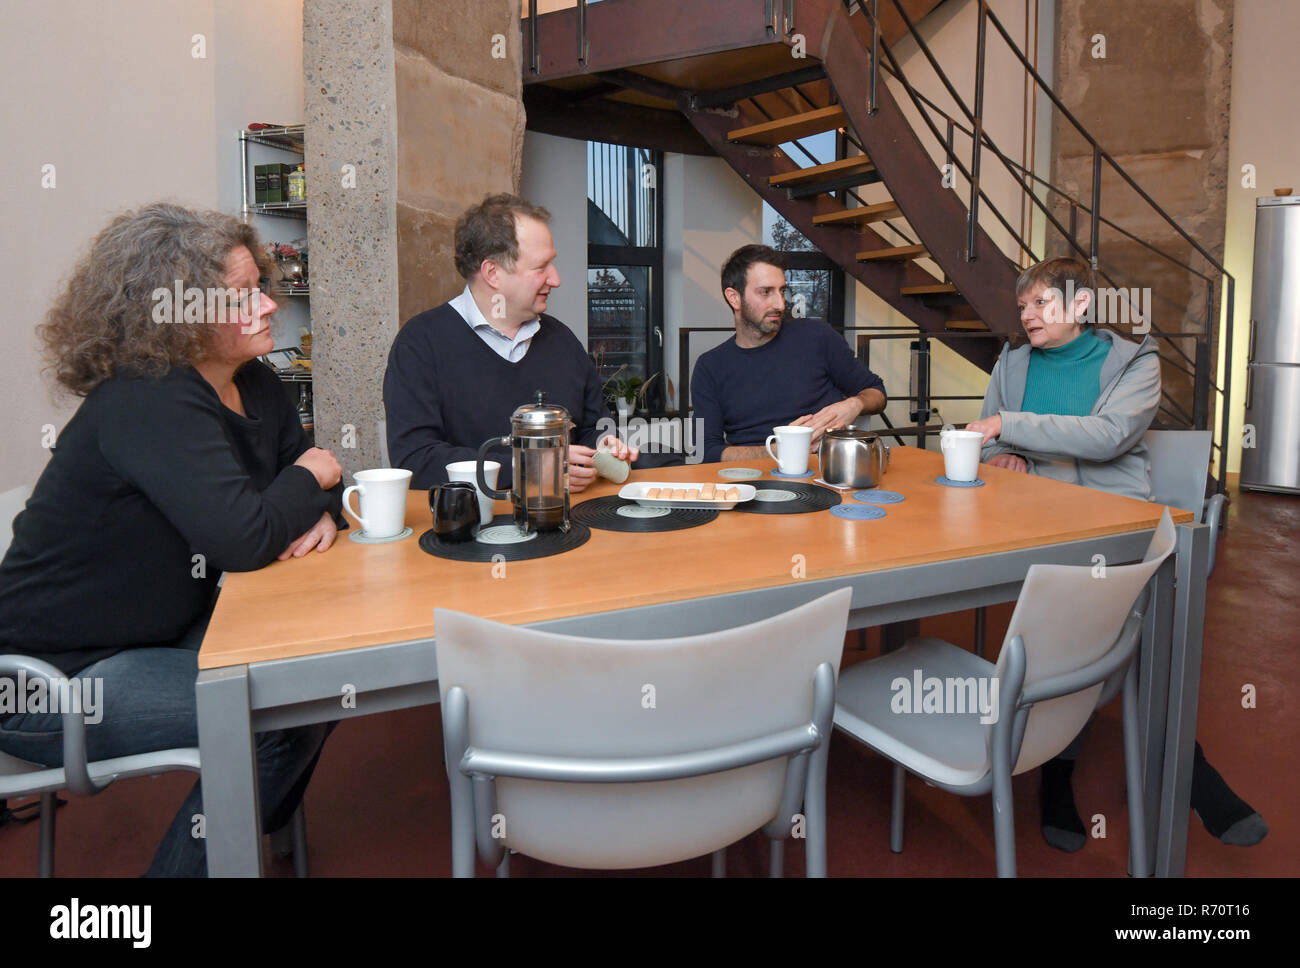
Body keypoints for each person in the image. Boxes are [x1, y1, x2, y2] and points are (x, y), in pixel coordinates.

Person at [0, 203, 343, 876]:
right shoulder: (148, 400)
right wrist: (307, 483)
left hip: (156, 633)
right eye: (242, 297)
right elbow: (248, 536)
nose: (270, 305)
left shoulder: (256, 384)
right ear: (177, 313)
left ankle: (236, 836)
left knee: (321, 678)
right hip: (49, 677)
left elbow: (317, 475)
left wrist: (319, 501)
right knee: (282, 710)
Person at [966, 256, 1267, 851]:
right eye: (1023, 305)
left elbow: (1107, 438)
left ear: (1080, 306)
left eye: (1041, 304)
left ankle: (1161, 762)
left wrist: (1010, 427)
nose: (1027, 315)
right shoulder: (1013, 361)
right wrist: (1005, 450)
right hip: (1033, 521)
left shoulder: (1135, 360)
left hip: (1114, 522)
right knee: (1074, 630)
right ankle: (1079, 767)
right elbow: (986, 437)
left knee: (1131, 627)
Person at [383, 193, 637, 491]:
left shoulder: (562, 340)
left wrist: (604, 445)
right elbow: (416, 460)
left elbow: (591, 427)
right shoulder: (420, 344)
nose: (556, 279)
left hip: (569, 525)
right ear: (493, 273)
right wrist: (531, 467)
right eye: (541, 267)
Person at [691, 245, 886, 463]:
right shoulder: (710, 367)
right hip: (756, 479)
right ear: (734, 298)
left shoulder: (817, 337)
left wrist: (854, 404)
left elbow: (876, 392)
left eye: (782, 291)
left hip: (829, 470)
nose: (780, 304)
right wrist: (781, 449)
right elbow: (706, 452)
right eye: (766, 292)